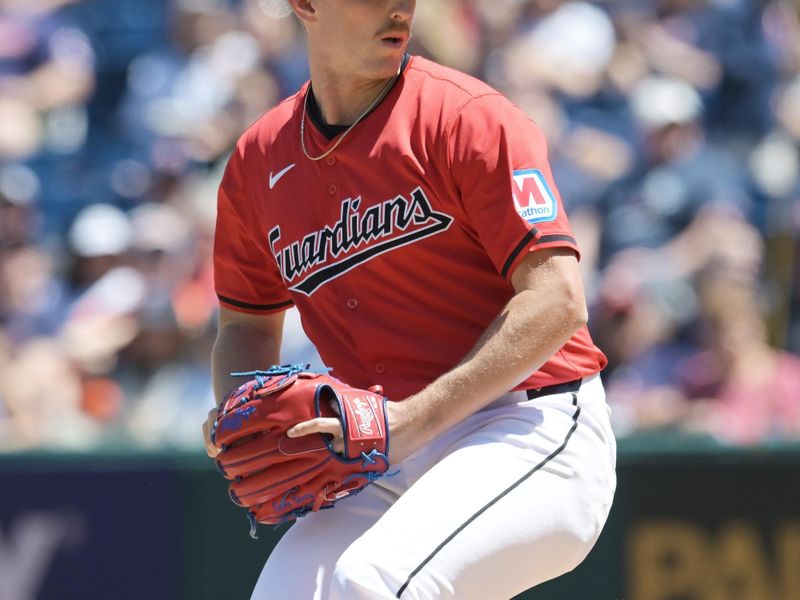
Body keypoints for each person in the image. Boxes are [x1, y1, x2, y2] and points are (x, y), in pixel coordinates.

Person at [202, 1, 616, 598]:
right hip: (382, 449)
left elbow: (558, 300)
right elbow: (244, 323)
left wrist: (408, 422)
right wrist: (244, 414)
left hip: (531, 422)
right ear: (306, 5)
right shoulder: (258, 160)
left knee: (373, 582)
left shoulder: (467, 117)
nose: (398, 9)